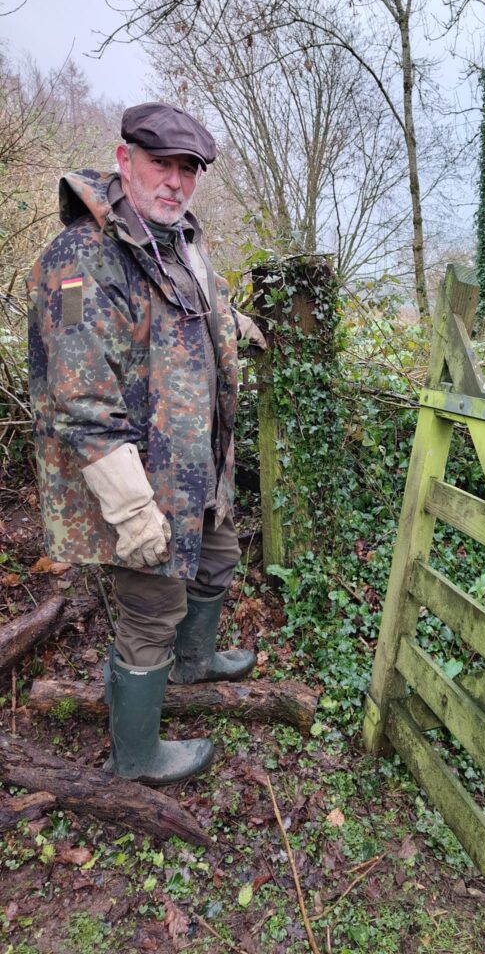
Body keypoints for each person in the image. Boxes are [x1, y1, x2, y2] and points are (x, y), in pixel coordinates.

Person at [27, 103, 267, 786]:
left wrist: (233, 323)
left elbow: (197, 300)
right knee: (151, 608)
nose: (176, 181)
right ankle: (135, 757)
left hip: (199, 465)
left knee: (218, 557)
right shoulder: (80, 262)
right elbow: (79, 398)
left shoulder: (177, 237)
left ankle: (193, 662)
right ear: (123, 157)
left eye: (189, 169)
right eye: (162, 163)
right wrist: (133, 512)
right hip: (140, 480)